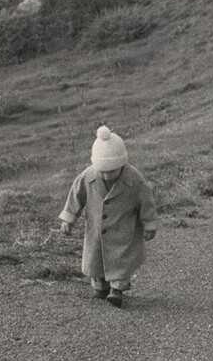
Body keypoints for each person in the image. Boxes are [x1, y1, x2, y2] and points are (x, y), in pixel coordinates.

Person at [58, 125, 158, 307]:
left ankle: (117, 289)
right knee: (95, 258)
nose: (106, 175)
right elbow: (76, 195)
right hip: (96, 229)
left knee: (122, 258)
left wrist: (149, 223)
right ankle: (100, 286)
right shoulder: (88, 176)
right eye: (102, 171)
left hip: (123, 229)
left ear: (121, 164)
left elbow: (146, 200)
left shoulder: (134, 179)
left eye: (111, 171)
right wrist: (68, 218)